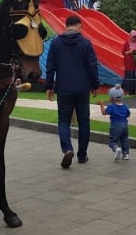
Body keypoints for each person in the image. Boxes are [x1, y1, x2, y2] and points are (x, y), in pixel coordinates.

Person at [45, 15, 100, 168]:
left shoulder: (56, 43)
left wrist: (49, 86)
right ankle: (82, 155)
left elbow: (51, 66)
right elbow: (92, 66)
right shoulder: (86, 43)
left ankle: (67, 149)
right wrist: (95, 85)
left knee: (63, 120)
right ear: (79, 26)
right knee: (84, 121)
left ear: (66, 25)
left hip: (63, 88)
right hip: (82, 88)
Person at [98, 84, 131, 161]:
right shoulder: (125, 106)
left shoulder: (111, 106)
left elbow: (103, 112)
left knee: (112, 141)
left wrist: (102, 104)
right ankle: (126, 154)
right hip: (125, 126)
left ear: (112, 98)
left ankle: (116, 149)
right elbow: (128, 114)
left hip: (115, 126)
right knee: (124, 140)